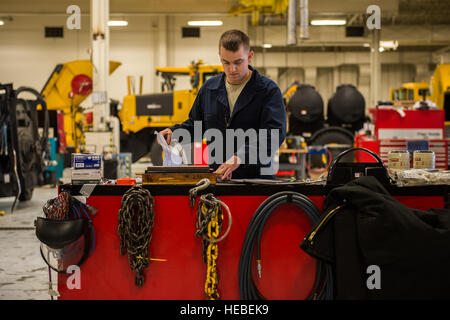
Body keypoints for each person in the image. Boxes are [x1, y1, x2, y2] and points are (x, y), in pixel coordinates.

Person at [158, 29, 286, 180]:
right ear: (220, 57)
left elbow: (274, 134)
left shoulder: (267, 91)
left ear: (250, 57)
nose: (232, 69)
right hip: (218, 178)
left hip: (256, 180)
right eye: (226, 62)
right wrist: (175, 132)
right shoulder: (209, 89)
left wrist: (240, 157)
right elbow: (196, 125)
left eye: (238, 62)